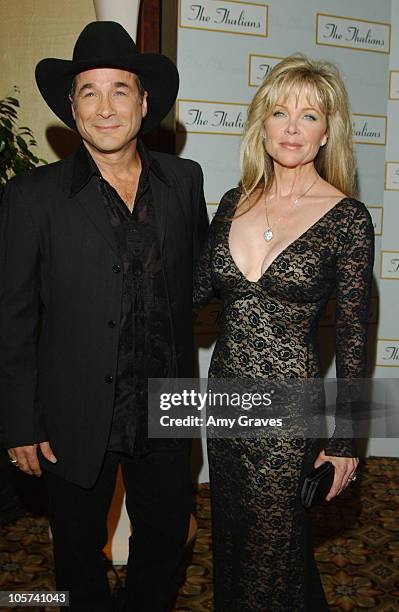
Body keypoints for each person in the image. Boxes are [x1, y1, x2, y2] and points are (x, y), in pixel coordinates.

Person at [0, 21, 208, 612]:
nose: (106, 107)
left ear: (145, 102)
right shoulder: (32, 196)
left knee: (165, 542)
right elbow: (11, 317)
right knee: (75, 551)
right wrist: (19, 422)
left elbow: (199, 279)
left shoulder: (184, 181)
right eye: (89, 92)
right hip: (73, 412)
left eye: (120, 90)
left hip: (168, 402)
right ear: (72, 107)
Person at [194, 55, 374, 611]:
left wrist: (345, 441)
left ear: (327, 132)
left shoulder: (346, 218)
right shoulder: (231, 202)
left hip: (288, 412)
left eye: (310, 116)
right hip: (225, 402)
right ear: (262, 125)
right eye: (279, 112)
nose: (292, 128)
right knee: (233, 543)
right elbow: (193, 289)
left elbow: (353, 339)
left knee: (274, 550)